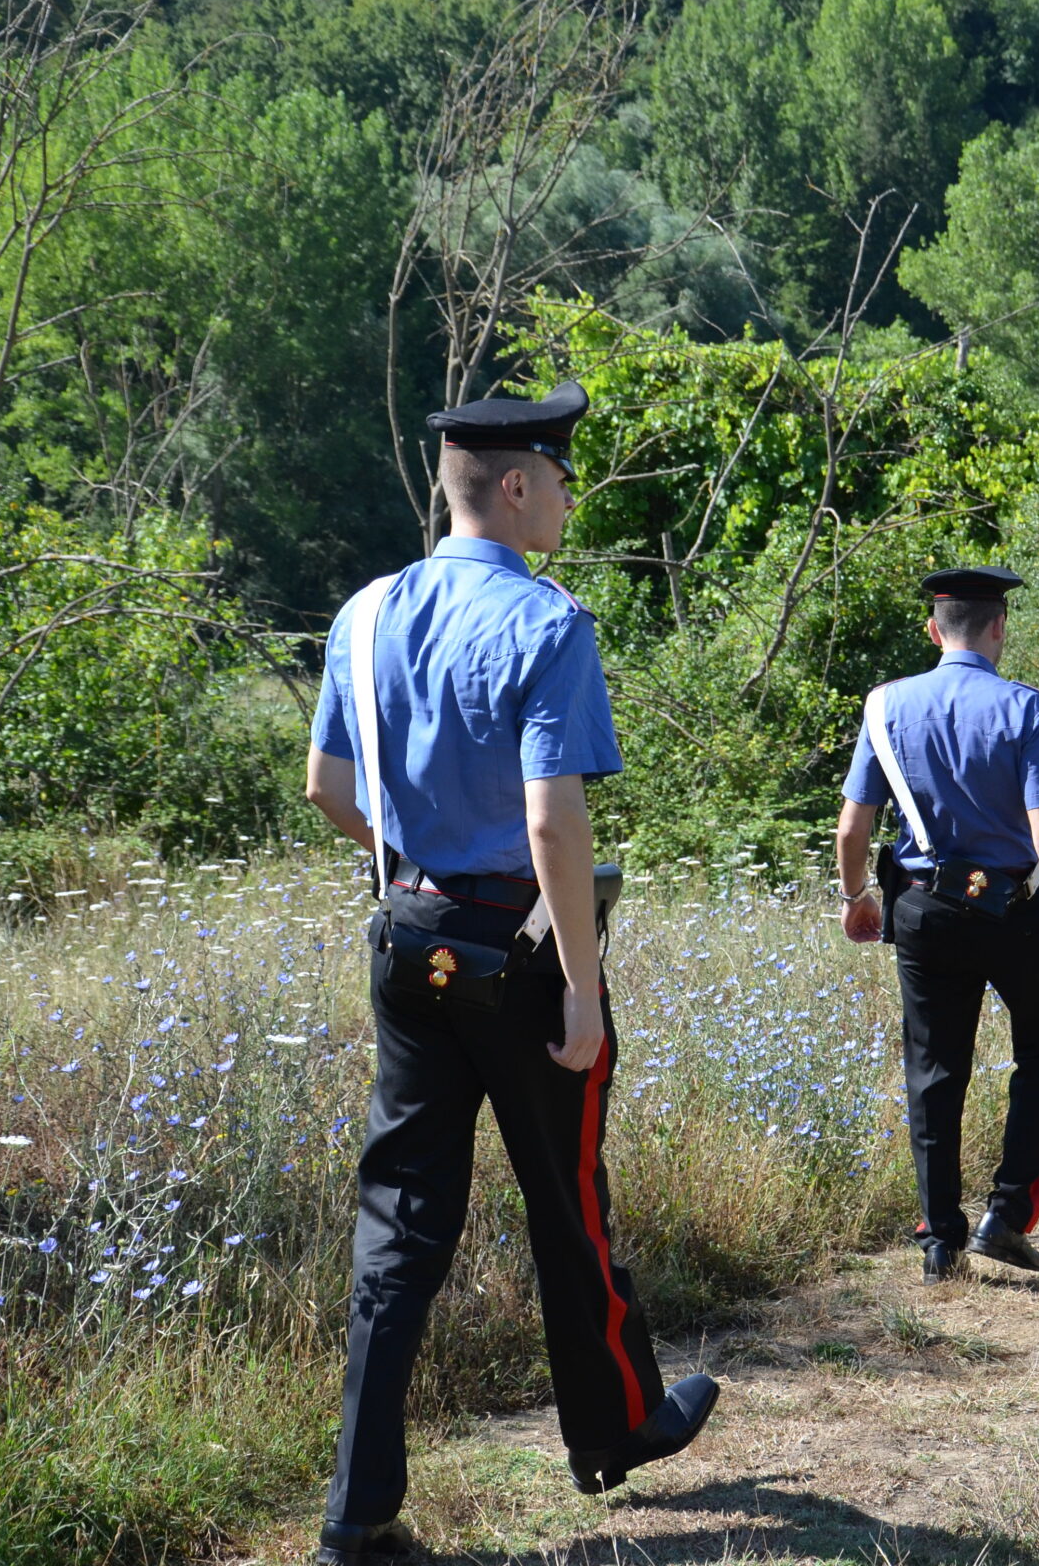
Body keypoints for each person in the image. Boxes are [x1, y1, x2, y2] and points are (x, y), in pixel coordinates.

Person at [301, 383, 717, 1566]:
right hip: (523, 957)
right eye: (564, 475)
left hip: (405, 932)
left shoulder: (366, 612)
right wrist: (580, 984)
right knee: (565, 1201)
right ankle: (616, 1432)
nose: (573, 497)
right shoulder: (548, 623)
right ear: (520, 484)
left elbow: (329, 791)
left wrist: (418, 863)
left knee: (398, 1224)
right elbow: (554, 826)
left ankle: (358, 1513)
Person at [834, 566, 1039, 1285]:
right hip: (1015, 911)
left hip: (921, 908)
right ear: (998, 628)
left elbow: (854, 823)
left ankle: (938, 1243)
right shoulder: (1027, 709)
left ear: (932, 629)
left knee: (934, 1069)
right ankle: (1006, 1218)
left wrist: (857, 894)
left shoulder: (885, 706)